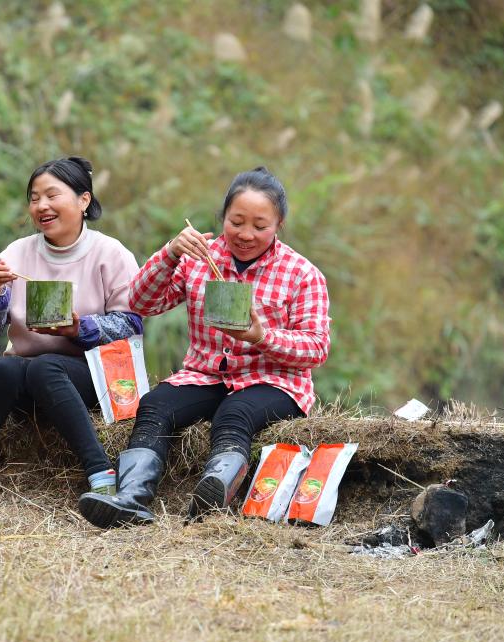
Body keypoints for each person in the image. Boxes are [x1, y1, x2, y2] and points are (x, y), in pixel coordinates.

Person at [79, 167, 330, 528]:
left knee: (235, 413)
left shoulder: (302, 274)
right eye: (236, 222)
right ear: (223, 216)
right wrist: (170, 253)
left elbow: (316, 348)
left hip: (273, 382)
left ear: (279, 225)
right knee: (154, 405)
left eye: (260, 226)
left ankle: (213, 495)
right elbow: (140, 302)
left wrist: (261, 337)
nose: (245, 234)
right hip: (205, 374)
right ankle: (130, 499)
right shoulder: (198, 257)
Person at [0, 157, 142, 513]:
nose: (41, 206)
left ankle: (101, 473)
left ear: (83, 200)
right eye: (34, 198)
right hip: (27, 380)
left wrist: (80, 329)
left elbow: (131, 326)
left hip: (92, 378)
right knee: (6, 368)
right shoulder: (16, 253)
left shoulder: (111, 253)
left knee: (45, 367)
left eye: (52, 196)